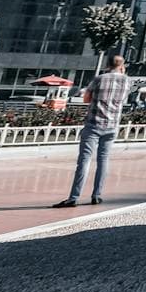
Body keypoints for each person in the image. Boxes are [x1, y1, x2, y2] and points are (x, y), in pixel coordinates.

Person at [54, 55, 130, 208]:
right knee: (103, 160)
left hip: (93, 124)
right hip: (112, 126)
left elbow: (86, 99)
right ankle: (96, 195)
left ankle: (74, 197)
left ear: (107, 65)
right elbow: (124, 99)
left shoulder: (99, 79)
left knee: (84, 161)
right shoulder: (127, 80)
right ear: (122, 66)